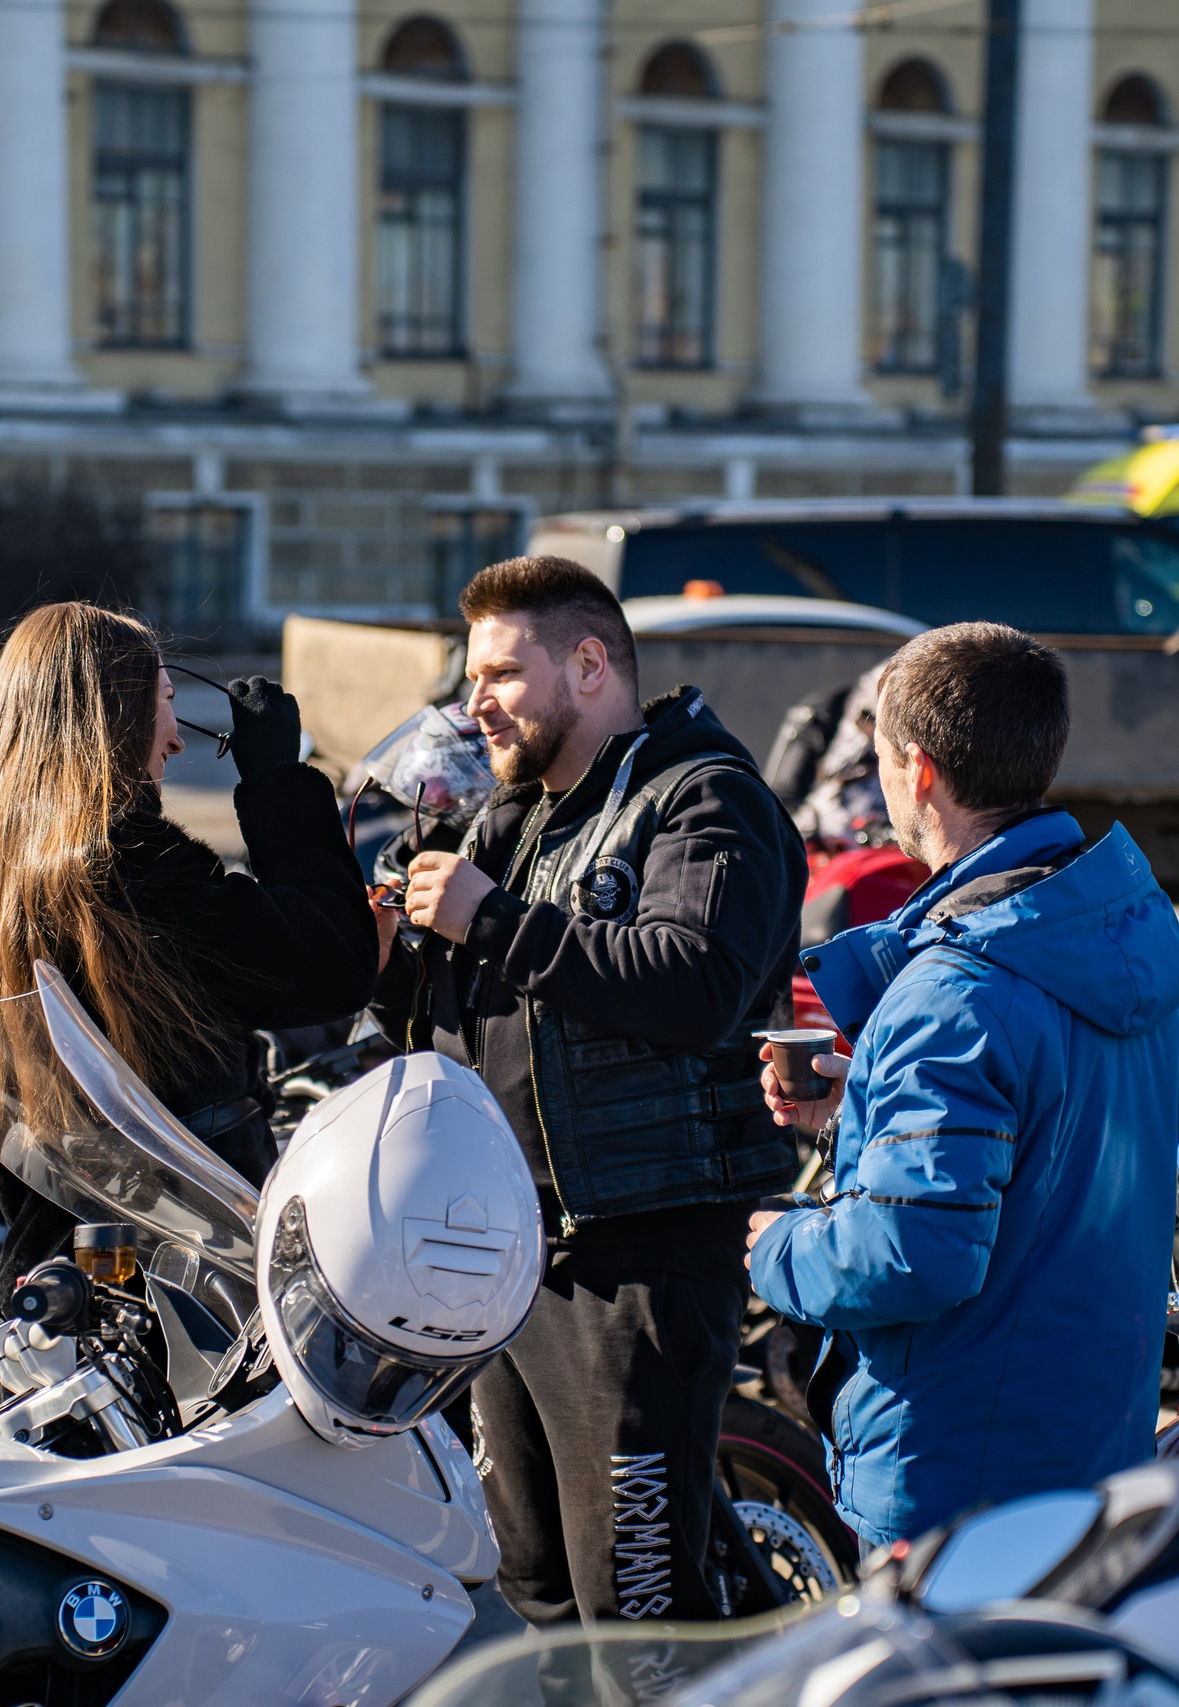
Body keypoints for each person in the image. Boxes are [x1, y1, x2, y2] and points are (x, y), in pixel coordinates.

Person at [372, 556, 806, 1626]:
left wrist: (493, 920)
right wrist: (390, 955)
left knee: (639, 1599)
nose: (474, 703)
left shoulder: (703, 796)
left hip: (638, 1261)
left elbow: (693, 983)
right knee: (538, 1591)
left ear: (590, 663)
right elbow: (465, 1018)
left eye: (501, 675)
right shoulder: (514, 822)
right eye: (471, 679)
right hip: (513, 1259)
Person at [744, 621, 1179, 1549]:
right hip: (1091, 1443)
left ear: (917, 772)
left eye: (877, 764)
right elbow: (1046, 1143)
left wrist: (773, 1244)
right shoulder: (1125, 931)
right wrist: (861, 1103)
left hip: (959, 1476)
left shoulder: (955, 991)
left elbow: (914, 1251)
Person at [0, 601, 376, 1291]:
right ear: (115, 720)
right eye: (165, 702)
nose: (175, 740)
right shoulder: (129, 864)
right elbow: (332, 970)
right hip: (173, 1292)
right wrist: (276, 779)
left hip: (63, 1277)